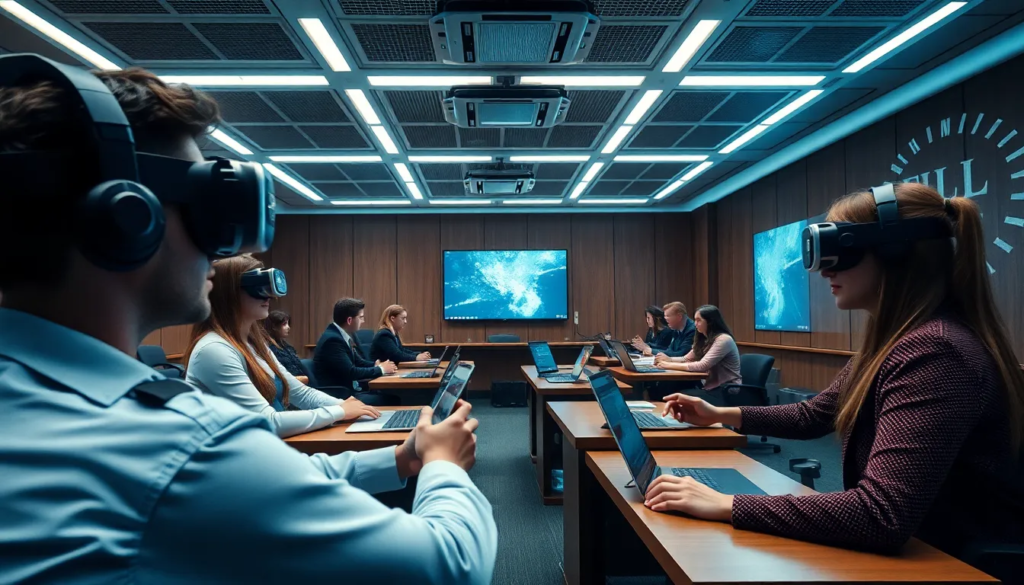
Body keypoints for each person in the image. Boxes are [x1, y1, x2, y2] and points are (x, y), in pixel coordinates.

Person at [0, 56, 496, 583]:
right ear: (128, 216)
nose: (217, 253)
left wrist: (400, 457)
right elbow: (450, 565)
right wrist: (442, 464)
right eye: (204, 210)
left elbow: (271, 475)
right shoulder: (176, 445)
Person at [652, 184, 1024, 568]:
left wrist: (727, 503)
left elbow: (881, 514)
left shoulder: (935, 351)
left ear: (896, 251)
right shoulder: (895, 341)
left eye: (843, 251)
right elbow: (813, 414)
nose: (826, 269)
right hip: (919, 551)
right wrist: (718, 415)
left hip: (952, 566)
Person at [184, 255, 379, 438]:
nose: (269, 296)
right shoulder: (214, 350)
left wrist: (351, 407)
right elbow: (267, 421)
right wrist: (339, 411)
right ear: (229, 293)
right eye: (258, 288)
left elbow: (301, 393)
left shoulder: (254, 345)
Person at [313, 298, 400, 406]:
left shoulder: (341, 335)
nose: (363, 321)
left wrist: (376, 364)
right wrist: (381, 369)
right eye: (361, 317)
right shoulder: (333, 340)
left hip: (350, 390)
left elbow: (358, 362)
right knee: (392, 399)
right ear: (349, 320)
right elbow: (351, 372)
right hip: (341, 395)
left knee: (390, 396)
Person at [654, 305, 741, 402]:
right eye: (695, 320)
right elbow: (686, 359)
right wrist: (669, 360)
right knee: (667, 386)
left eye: (699, 320)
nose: (695, 324)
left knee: (678, 395)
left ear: (710, 321)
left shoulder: (724, 340)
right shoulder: (704, 339)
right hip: (710, 387)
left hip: (725, 390)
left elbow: (702, 365)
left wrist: (668, 365)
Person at [265, 310, 309, 380]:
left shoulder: (286, 346)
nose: (288, 327)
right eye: (284, 324)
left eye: (288, 324)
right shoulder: (269, 348)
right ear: (274, 327)